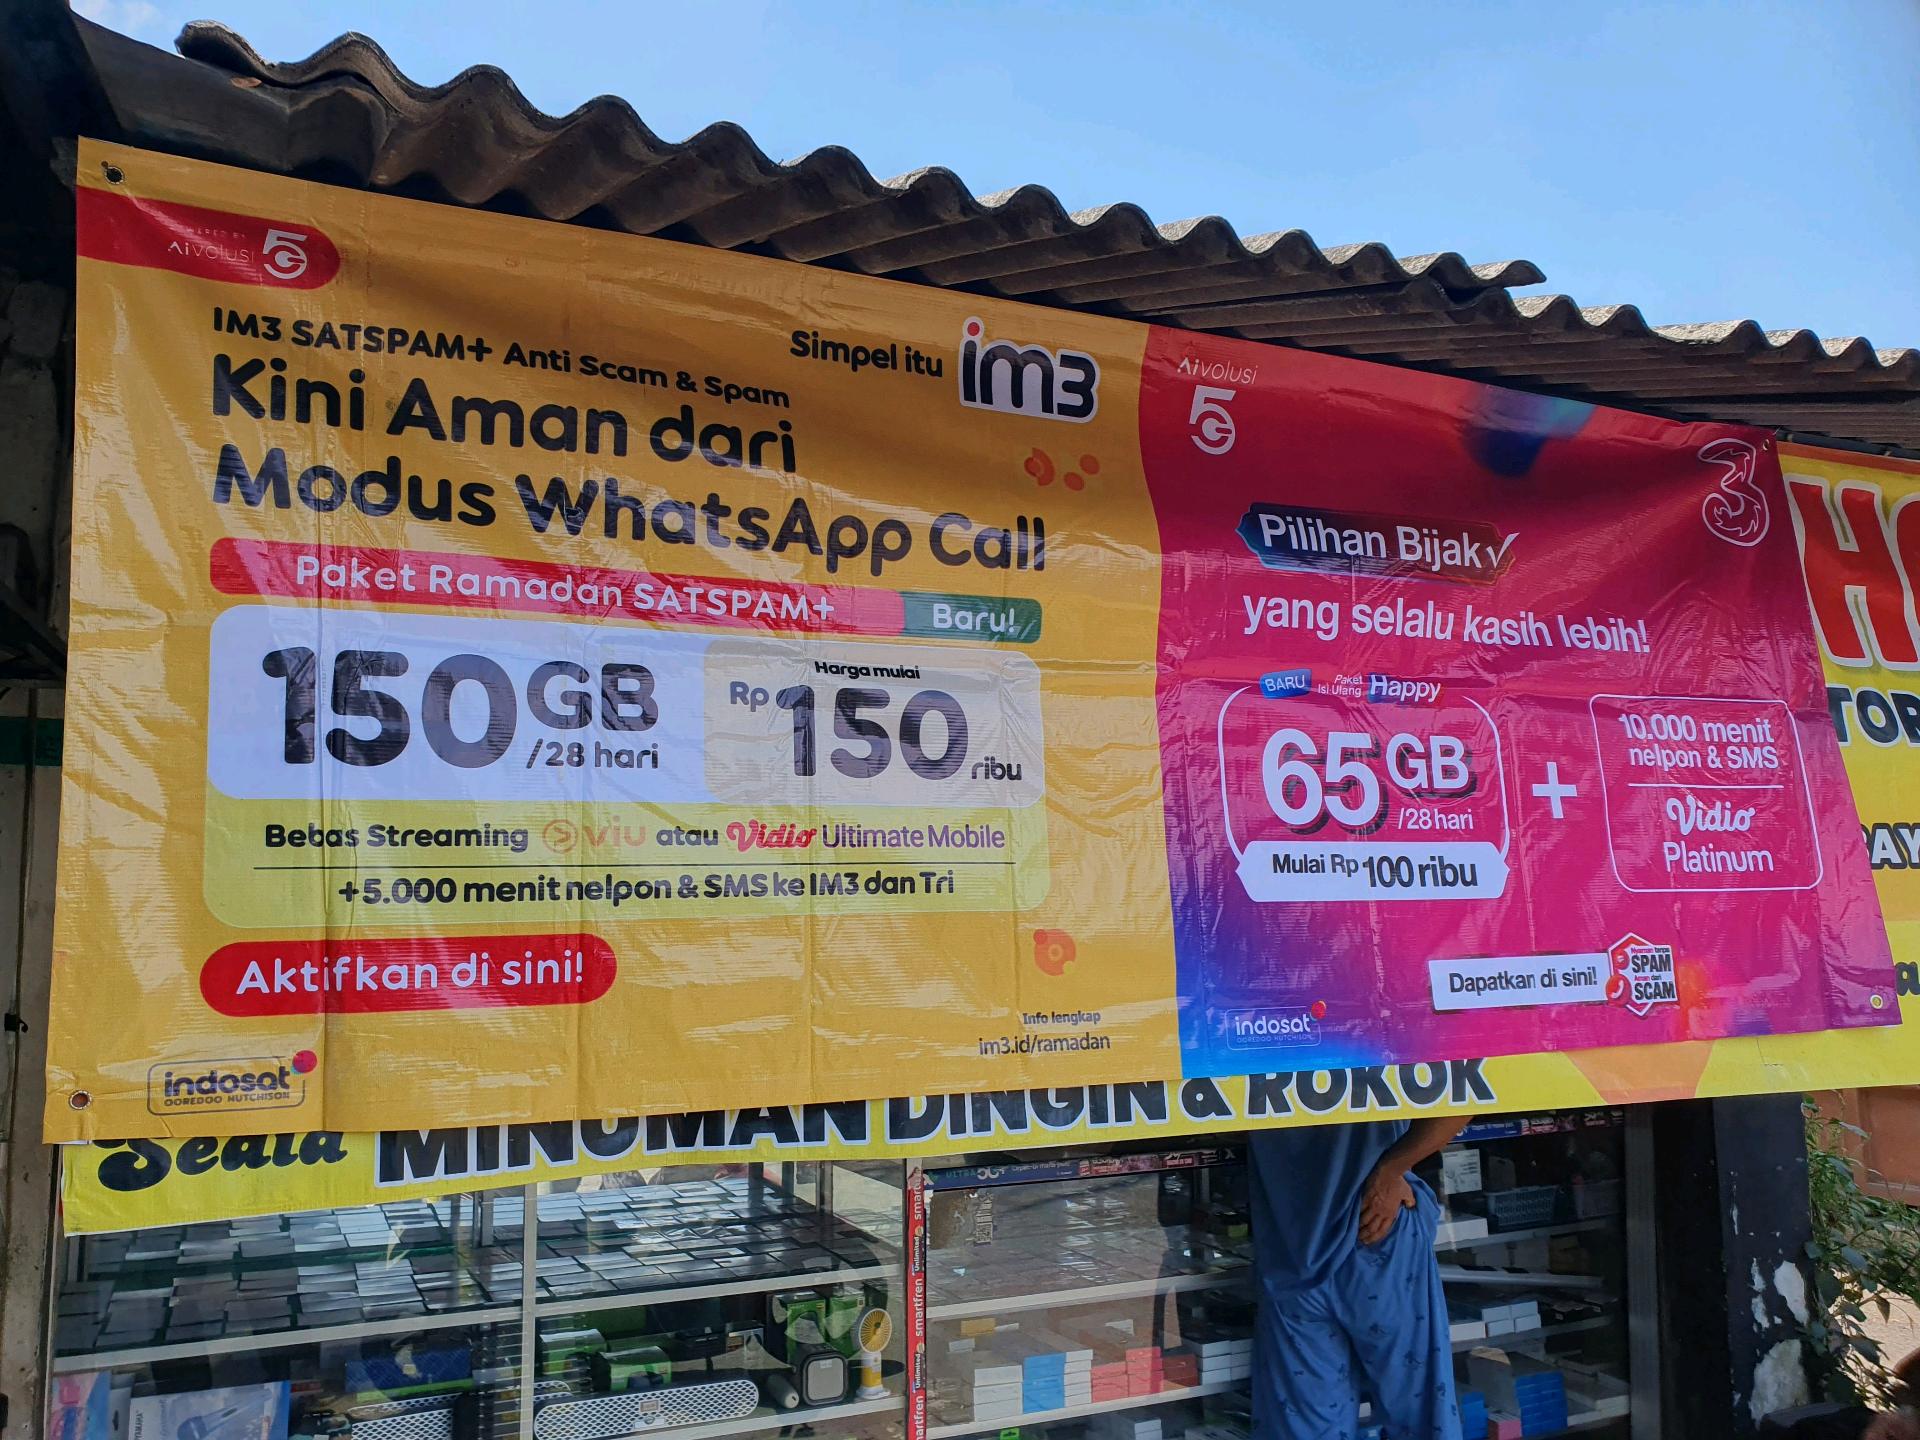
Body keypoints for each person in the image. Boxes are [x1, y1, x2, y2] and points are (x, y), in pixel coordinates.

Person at [1250, 1116, 1468, 1440]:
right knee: (1417, 1414)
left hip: (1355, 1235)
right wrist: (1391, 1171)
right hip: (1305, 1247)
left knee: (1415, 1412)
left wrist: (1391, 1170)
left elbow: (1465, 1099)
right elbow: (1466, 1097)